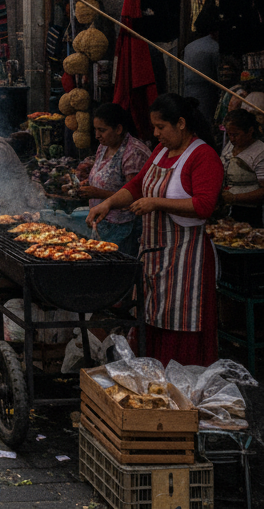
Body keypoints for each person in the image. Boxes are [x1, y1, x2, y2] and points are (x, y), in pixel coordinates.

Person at [88, 93, 224, 366]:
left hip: (187, 259)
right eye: (154, 127)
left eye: (161, 127)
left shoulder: (202, 155)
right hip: (155, 256)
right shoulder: (161, 151)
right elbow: (137, 185)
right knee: (151, 317)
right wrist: (109, 203)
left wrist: (157, 203)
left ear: (181, 123)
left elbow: (205, 205)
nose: (156, 133)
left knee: (179, 321)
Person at [78, 103, 152, 258]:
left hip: (124, 228)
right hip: (102, 223)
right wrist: (88, 180)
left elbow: (135, 196)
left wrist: (98, 193)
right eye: (95, 129)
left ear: (118, 129)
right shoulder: (104, 146)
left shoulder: (134, 153)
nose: (97, 135)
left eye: (102, 130)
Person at [220, 107, 264, 224]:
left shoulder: (260, 152)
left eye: (236, 135)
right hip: (227, 209)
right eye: (229, 135)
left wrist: (235, 198)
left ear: (250, 131)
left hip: (250, 213)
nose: (232, 139)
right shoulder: (230, 146)